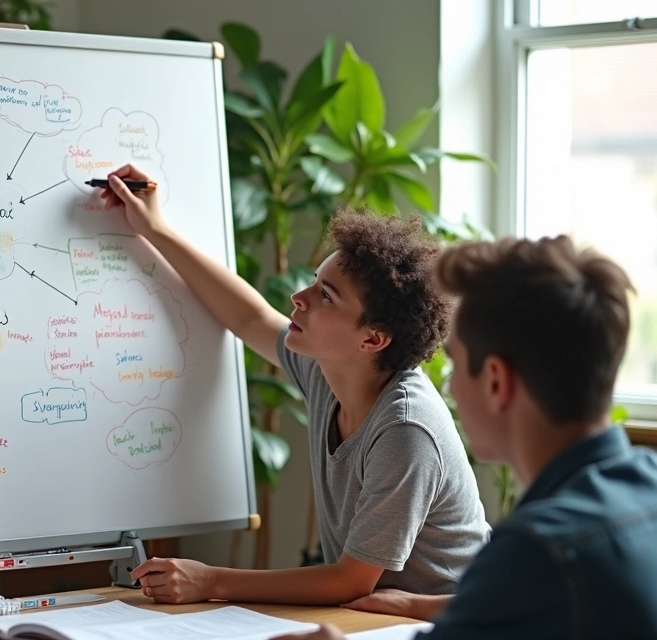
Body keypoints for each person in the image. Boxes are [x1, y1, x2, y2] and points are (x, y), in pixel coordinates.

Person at [99, 165, 489, 605]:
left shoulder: (405, 430)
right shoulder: (330, 370)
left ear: (372, 338)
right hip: (373, 620)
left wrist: (210, 581)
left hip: (447, 623)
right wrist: (155, 229)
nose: (298, 299)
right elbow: (250, 318)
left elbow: (350, 580)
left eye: (326, 295)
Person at [274, 235, 657, 640]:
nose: (452, 389)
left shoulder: (535, 550)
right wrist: (420, 605)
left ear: (496, 381)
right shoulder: (645, 487)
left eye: (457, 363)